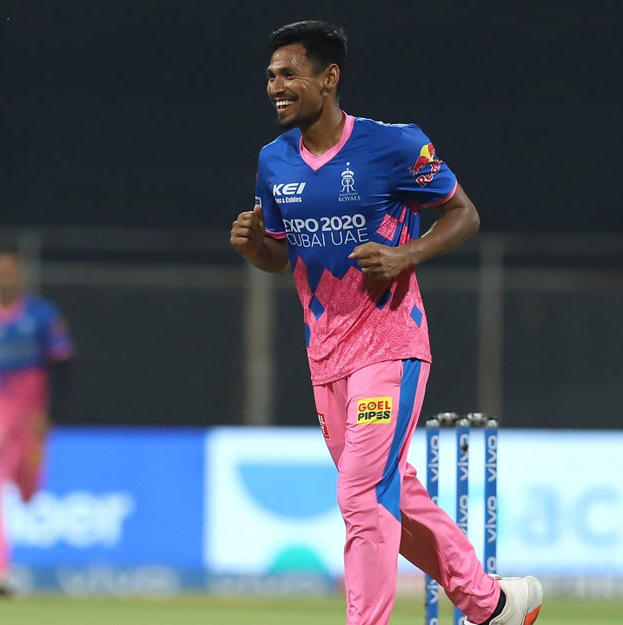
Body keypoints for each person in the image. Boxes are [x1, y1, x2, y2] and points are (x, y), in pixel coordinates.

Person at [230, 21, 543, 625]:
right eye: (270, 76)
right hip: (326, 357)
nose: (275, 87)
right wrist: (253, 247)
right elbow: (280, 254)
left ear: (329, 77)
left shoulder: (393, 145)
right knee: (391, 494)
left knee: (360, 493)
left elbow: (464, 214)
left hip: (389, 345)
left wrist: (405, 255)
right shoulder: (273, 161)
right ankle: (493, 603)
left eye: (289, 74)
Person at [0, 250, 74, 596]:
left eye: (11, 273)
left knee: (27, 488)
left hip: (30, 412)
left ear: (21, 278)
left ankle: (28, 484)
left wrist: (51, 415)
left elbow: (63, 366)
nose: (5, 279)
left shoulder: (42, 316)